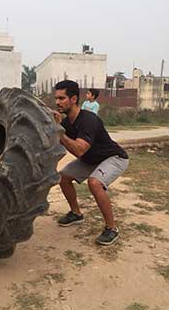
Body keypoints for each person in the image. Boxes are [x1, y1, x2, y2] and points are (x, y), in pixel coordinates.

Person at [52, 80, 129, 246]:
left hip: (114, 158)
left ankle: (112, 229)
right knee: (64, 177)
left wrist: (58, 131)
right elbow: (56, 146)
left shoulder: (89, 120)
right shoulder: (65, 123)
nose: (57, 102)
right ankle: (76, 214)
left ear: (73, 99)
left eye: (62, 98)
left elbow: (79, 150)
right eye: (56, 98)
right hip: (91, 159)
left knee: (94, 183)